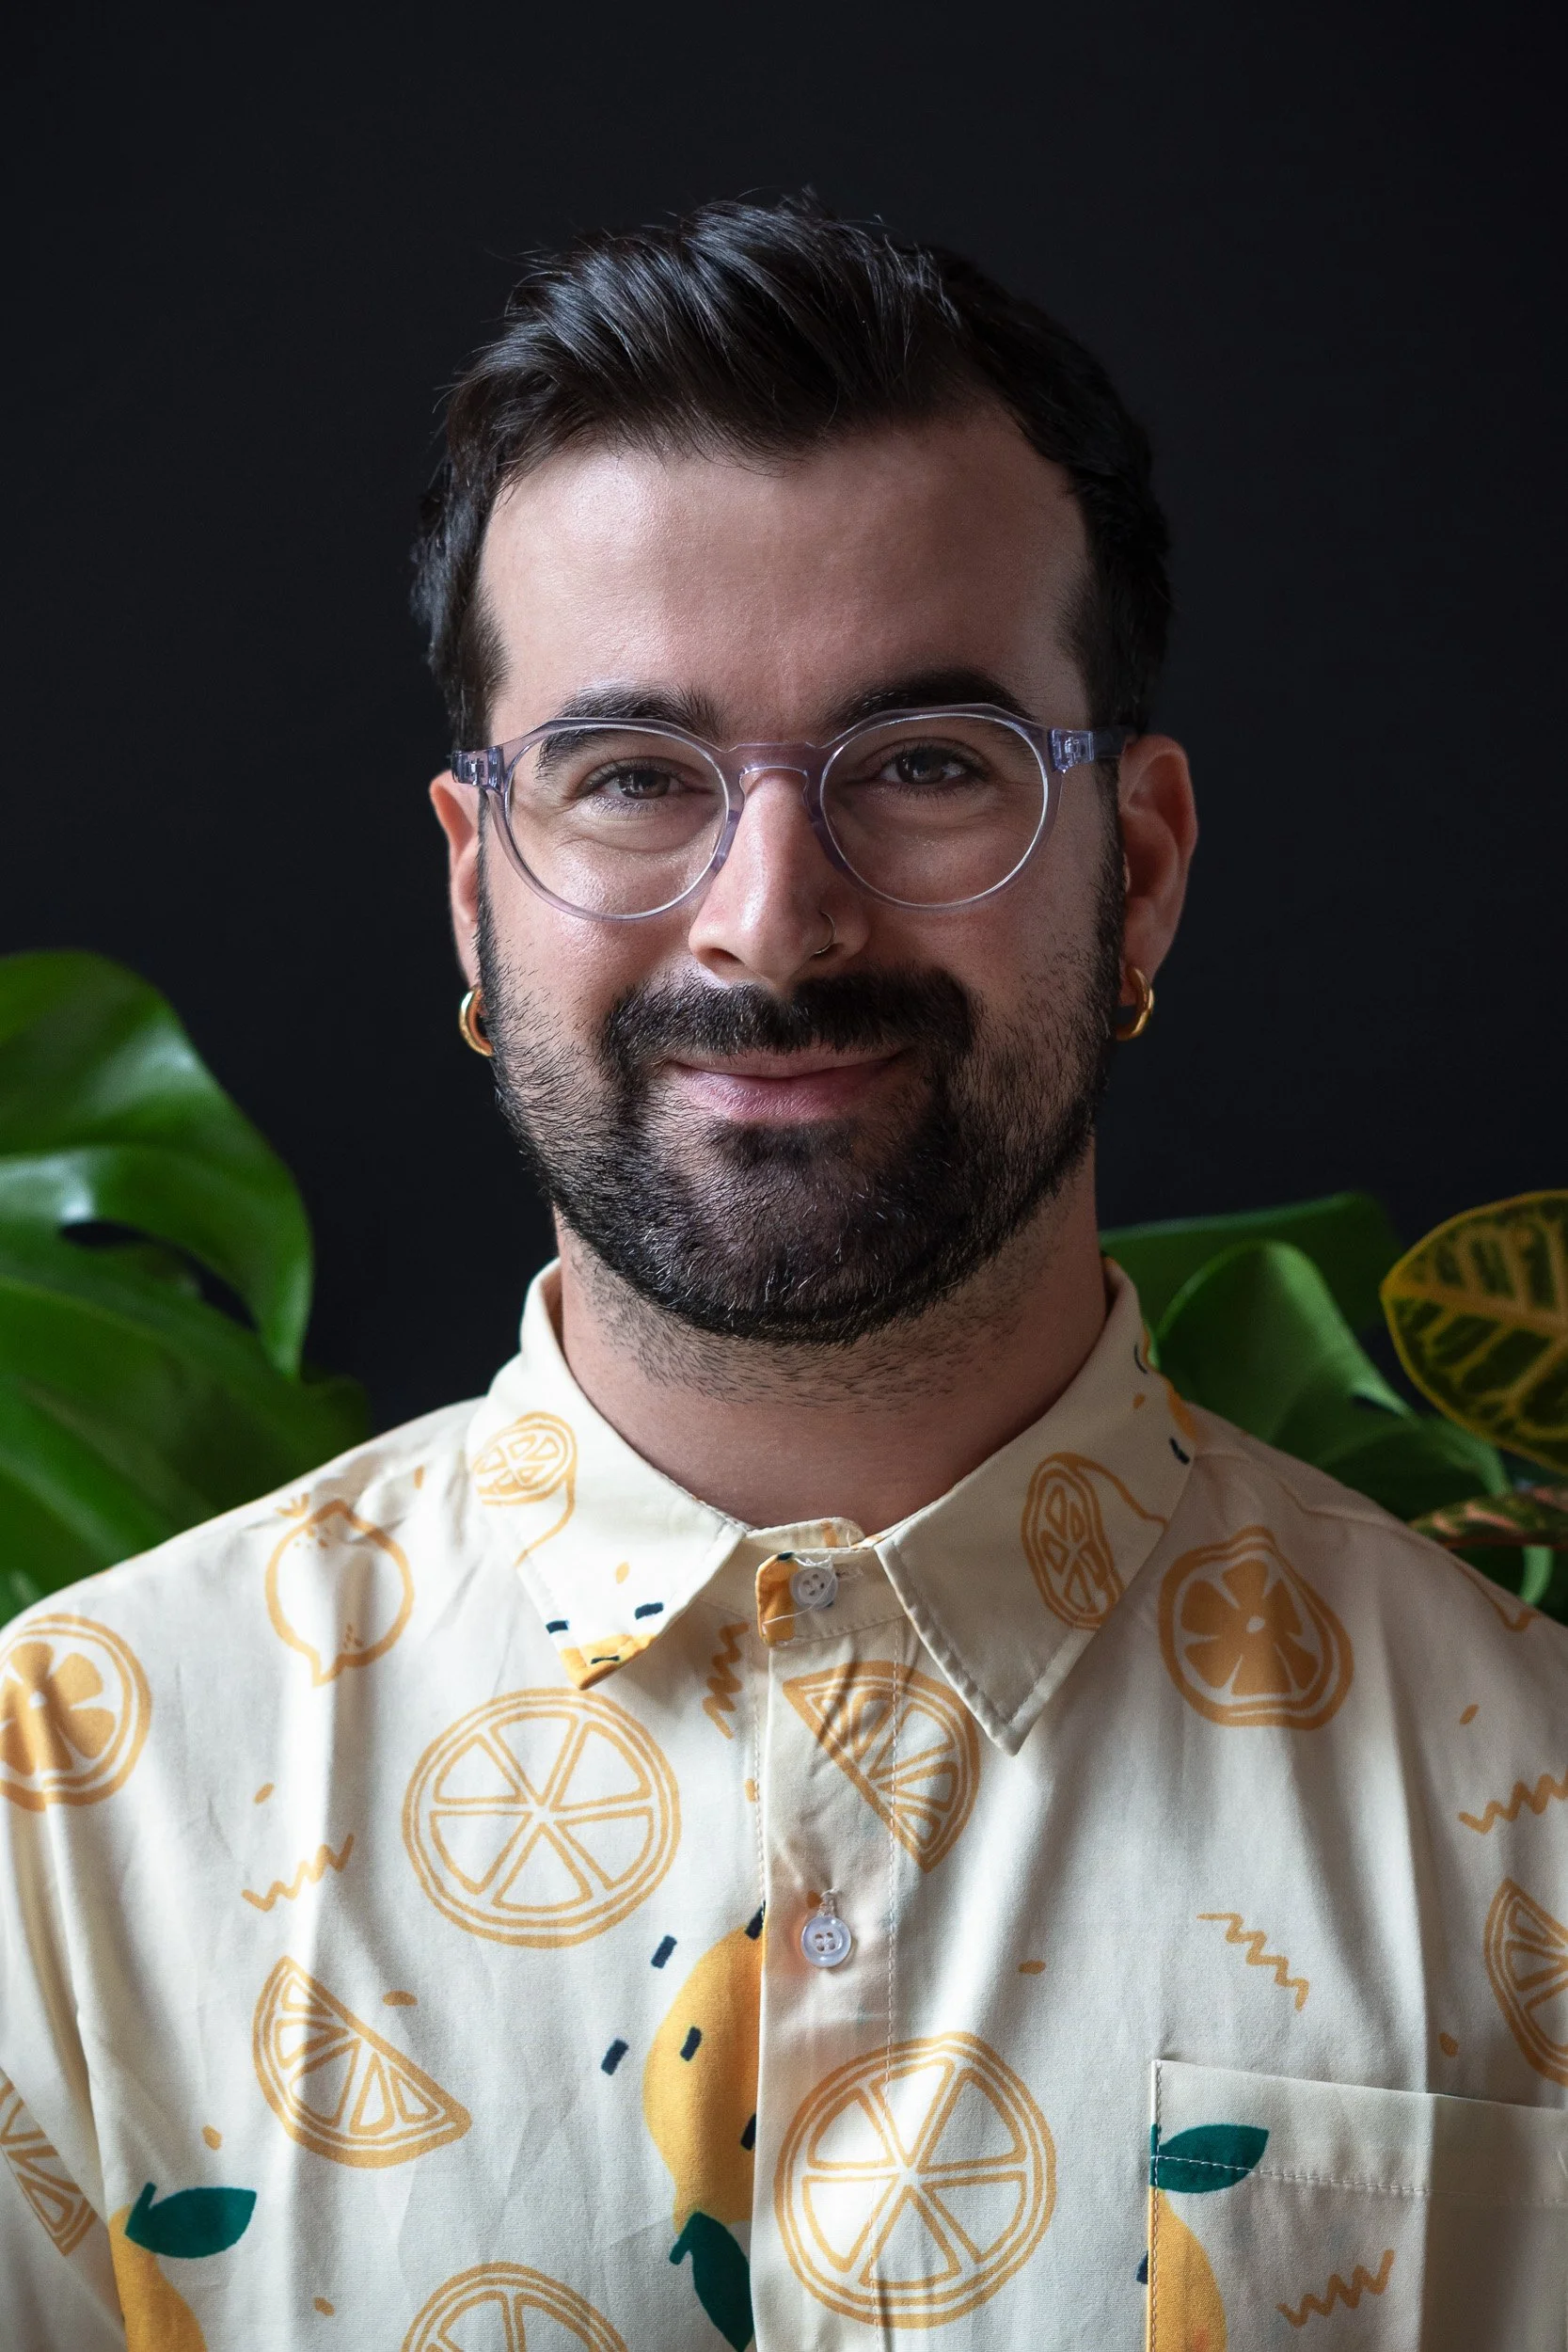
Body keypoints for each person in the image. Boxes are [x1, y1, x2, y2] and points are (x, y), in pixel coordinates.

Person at [2, 196, 1564, 2352]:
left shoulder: (1527, 1812)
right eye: (630, 776)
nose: (769, 916)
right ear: (476, 894)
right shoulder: (54, 1828)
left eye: (923, 767)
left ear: (1139, 872)